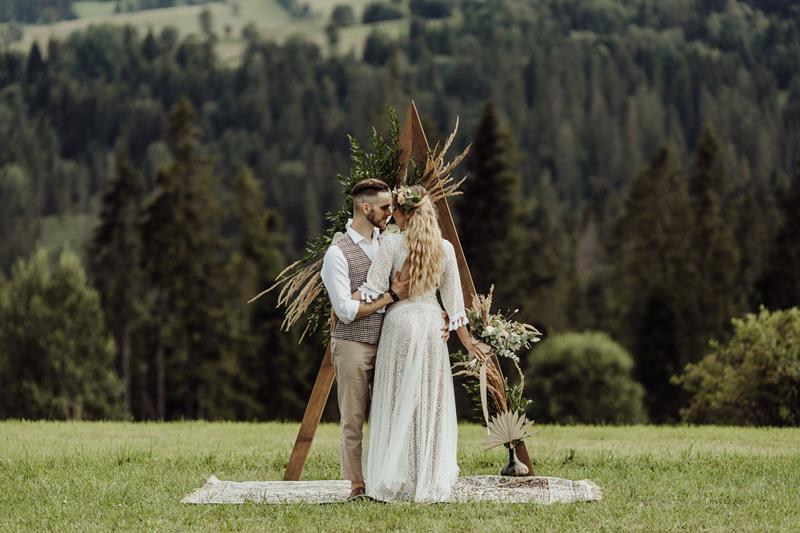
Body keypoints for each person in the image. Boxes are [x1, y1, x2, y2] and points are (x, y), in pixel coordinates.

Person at [359, 184, 487, 502]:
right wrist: (470, 344)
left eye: (395, 212)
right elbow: (455, 306)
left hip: (400, 325)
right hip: (431, 326)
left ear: (405, 213)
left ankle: (398, 478)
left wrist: (368, 294)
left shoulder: (390, 245)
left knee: (396, 401)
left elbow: (372, 290)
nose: (391, 218)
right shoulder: (444, 249)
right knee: (427, 402)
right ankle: (427, 478)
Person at [320, 178, 410, 500]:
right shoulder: (337, 253)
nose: (390, 212)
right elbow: (344, 310)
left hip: (388, 343)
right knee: (353, 419)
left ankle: (384, 480)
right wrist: (389, 297)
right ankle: (356, 486)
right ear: (365, 207)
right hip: (353, 346)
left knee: (388, 416)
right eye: (385, 207)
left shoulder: (386, 243)